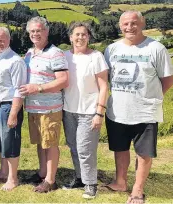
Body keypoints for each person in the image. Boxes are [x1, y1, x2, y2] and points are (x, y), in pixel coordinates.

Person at [103, 11, 173, 204]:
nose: (129, 27)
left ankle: (137, 189)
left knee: (144, 153)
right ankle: (120, 181)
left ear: (142, 24)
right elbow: (106, 78)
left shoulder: (156, 48)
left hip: (145, 112)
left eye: (134, 23)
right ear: (120, 26)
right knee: (120, 148)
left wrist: (150, 98)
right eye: (125, 24)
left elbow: (168, 80)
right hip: (117, 111)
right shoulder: (111, 49)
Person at [19, 16, 69, 193]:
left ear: (46, 31)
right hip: (33, 107)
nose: (35, 34)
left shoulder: (55, 53)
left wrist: (38, 88)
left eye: (38, 30)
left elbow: (63, 81)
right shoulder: (29, 53)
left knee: (51, 144)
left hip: (50, 108)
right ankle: (42, 172)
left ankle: (50, 180)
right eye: (32, 31)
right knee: (41, 143)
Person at [61, 22, 109, 199]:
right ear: (70, 37)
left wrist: (99, 112)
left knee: (85, 149)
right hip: (68, 110)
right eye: (77, 34)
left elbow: (104, 86)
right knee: (73, 146)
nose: (80, 37)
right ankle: (80, 178)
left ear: (89, 37)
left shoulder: (96, 56)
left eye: (84, 34)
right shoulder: (65, 56)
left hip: (89, 111)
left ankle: (91, 183)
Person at [0, 27, 27, 192]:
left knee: (10, 141)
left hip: (9, 105)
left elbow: (19, 89)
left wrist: (13, 113)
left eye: (2, 40)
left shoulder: (15, 60)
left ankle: (12, 178)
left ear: (9, 40)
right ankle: (3, 172)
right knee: (0, 141)